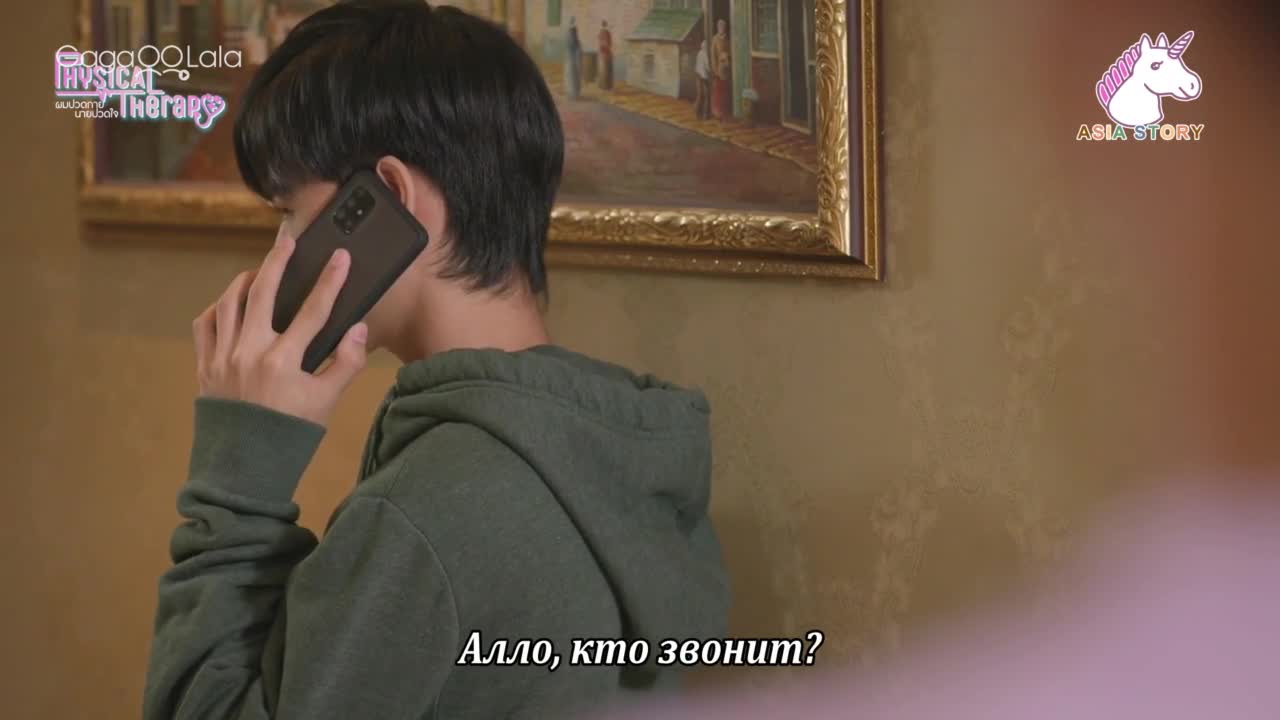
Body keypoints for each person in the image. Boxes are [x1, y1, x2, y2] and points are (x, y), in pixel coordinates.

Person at [139, 2, 730, 719]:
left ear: (389, 198)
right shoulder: (617, 457)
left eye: (287, 212)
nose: (279, 254)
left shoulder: (421, 516)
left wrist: (237, 476)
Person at [711, 19, 731, 120]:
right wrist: (715, 70)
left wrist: (727, 56)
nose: (722, 28)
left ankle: (725, 111)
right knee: (718, 90)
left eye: (723, 26)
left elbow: (730, 51)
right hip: (719, 69)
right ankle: (717, 112)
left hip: (727, 67)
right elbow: (713, 55)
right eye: (720, 26)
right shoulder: (715, 39)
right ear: (718, 27)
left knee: (725, 91)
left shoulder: (727, 39)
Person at [565, 16, 582, 99]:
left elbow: (574, 43)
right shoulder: (571, 32)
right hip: (572, 56)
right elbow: (574, 43)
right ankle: (573, 92)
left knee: (573, 74)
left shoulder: (571, 32)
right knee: (572, 74)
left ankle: (573, 92)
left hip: (572, 56)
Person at [694, 38, 711, 120]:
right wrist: (712, 71)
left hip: (698, 75)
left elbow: (697, 66)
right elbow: (707, 67)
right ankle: (705, 114)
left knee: (700, 95)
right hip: (703, 77)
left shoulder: (699, 53)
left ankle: (697, 113)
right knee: (706, 96)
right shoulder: (705, 54)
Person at [598, 20, 614, 91]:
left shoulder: (601, 33)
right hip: (605, 53)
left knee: (605, 70)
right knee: (606, 70)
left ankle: (604, 86)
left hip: (603, 53)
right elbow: (608, 43)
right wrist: (607, 47)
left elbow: (607, 43)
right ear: (605, 25)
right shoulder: (606, 33)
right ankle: (606, 86)